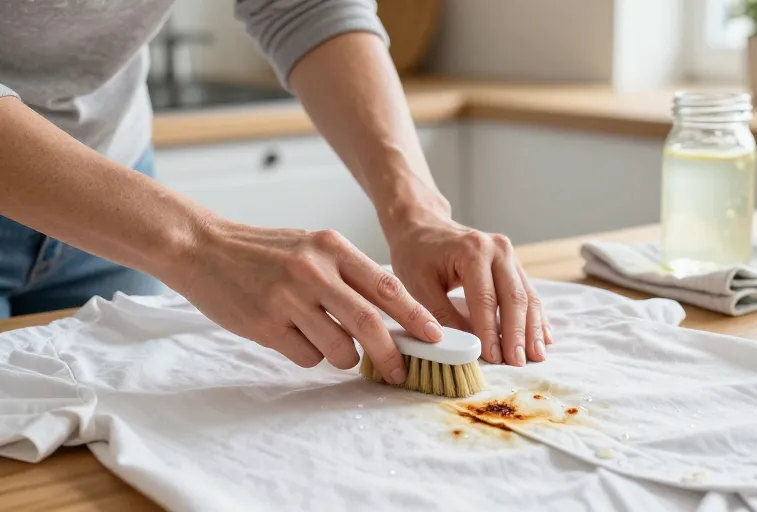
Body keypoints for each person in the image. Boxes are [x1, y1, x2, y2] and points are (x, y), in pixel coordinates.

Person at [0, 0, 551, 386]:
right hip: (134, 219)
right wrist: (199, 244)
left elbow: (308, 7)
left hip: (115, 187)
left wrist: (416, 210)